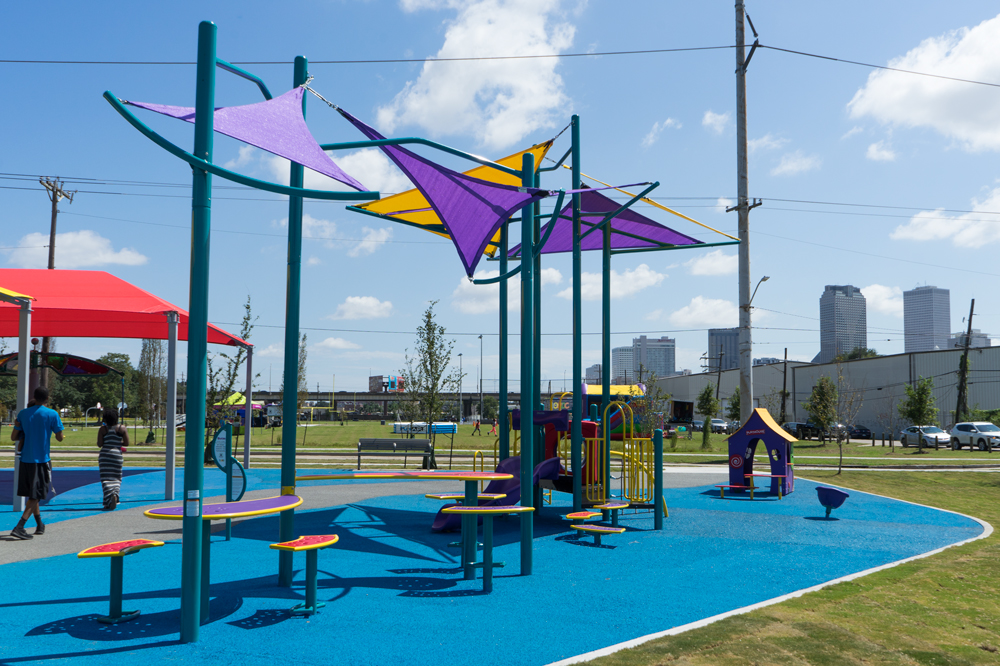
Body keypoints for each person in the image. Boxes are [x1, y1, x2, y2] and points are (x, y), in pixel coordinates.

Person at [10, 386, 64, 540]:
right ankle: (20, 526)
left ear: (34, 397)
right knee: (37, 494)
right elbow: (59, 437)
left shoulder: (22, 414)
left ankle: (39, 524)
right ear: (47, 398)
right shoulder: (52, 414)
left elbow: (14, 436)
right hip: (41, 459)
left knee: (33, 494)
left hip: (25, 459)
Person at [97, 408, 129, 510]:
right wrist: (118, 443)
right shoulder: (122, 428)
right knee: (116, 478)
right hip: (117, 456)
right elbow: (127, 443)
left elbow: (99, 444)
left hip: (105, 456)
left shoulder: (103, 429)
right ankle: (115, 495)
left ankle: (107, 501)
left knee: (105, 479)